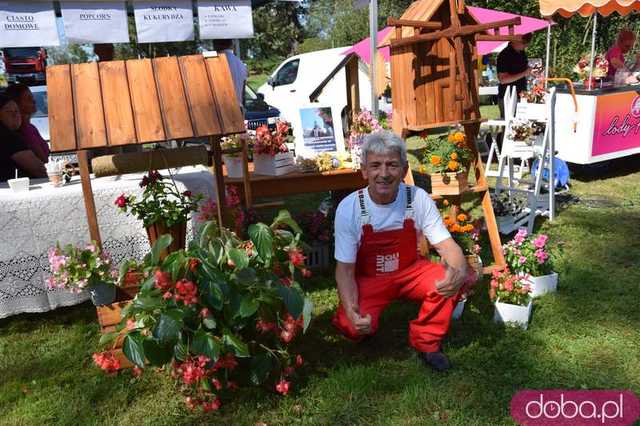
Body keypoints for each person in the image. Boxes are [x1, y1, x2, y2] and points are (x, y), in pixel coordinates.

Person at [332, 131, 476, 372]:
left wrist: (460, 269)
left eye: (392, 165)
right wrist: (351, 310)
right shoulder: (350, 208)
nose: (384, 174)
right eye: (376, 165)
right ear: (364, 170)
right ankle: (361, 324)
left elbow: (446, 245)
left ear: (404, 168)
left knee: (450, 278)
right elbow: (345, 271)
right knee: (352, 326)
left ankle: (426, 341)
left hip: (411, 271)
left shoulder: (417, 198)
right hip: (370, 279)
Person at [0, 94, 47, 182]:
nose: (15, 115)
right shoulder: (7, 136)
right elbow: (38, 169)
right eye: (8, 111)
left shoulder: (16, 133)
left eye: (16, 111)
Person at [5, 83, 49, 162]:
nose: (34, 101)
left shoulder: (29, 127)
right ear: (17, 104)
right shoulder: (24, 130)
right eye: (29, 98)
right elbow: (43, 158)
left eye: (32, 97)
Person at [497, 33, 533, 119]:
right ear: (515, 39)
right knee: (509, 126)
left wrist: (530, 71)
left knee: (522, 124)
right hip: (508, 97)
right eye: (524, 42)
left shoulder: (522, 53)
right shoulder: (504, 55)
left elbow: (523, 70)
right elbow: (503, 79)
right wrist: (524, 73)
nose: (526, 45)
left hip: (521, 95)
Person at [213, 39, 247, 109]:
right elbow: (243, 93)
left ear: (215, 45)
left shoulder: (214, 62)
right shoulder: (241, 63)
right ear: (231, 45)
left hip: (222, 109)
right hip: (238, 108)